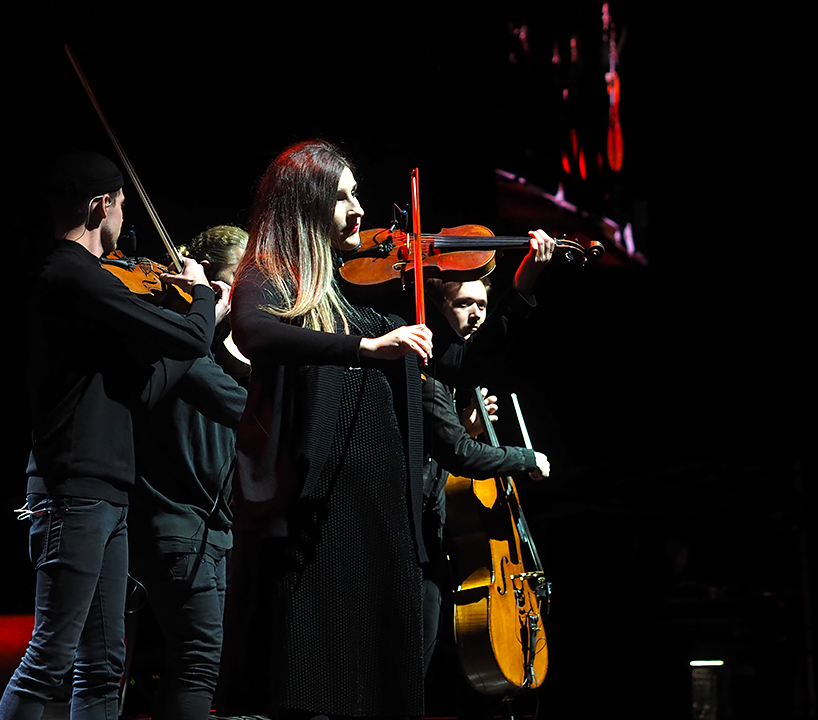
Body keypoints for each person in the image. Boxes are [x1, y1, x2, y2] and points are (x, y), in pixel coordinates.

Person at [220, 139, 555, 720]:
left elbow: (463, 367)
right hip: (315, 517)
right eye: (343, 196)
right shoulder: (272, 279)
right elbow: (255, 334)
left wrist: (521, 291)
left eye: (357, 196)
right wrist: (364, 348)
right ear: (306, 202)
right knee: (309, 690)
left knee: (381, 691)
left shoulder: (367, 306)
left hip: (383, 522)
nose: (359, 210)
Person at [0, 151, 222, 720]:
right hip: (73, 490)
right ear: (101, 205)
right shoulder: (72, 275)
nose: (125, 220)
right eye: (121, 205)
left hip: (107, 488)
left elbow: (144, 390)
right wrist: (201, 298)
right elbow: (192, 339)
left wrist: (198, 327)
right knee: (50, 657)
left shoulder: (89, 284)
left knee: (101, 667)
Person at [128, 225, 250, 720]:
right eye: (236, 279)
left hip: (209, 528)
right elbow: (241, 406)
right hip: (177, 526)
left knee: (204, 666)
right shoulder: (179, 338)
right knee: (198, 664)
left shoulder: (210, 345)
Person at [418, 275, 552, 682]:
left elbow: (446, 449)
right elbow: (459, 456)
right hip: (415, 540)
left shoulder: (446, 373)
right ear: (439, 308)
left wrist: (463, 428)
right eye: (463, 304)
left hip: (433, 535)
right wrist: (524, 457)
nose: (476, 313)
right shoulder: (428, 374)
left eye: (482, 304)